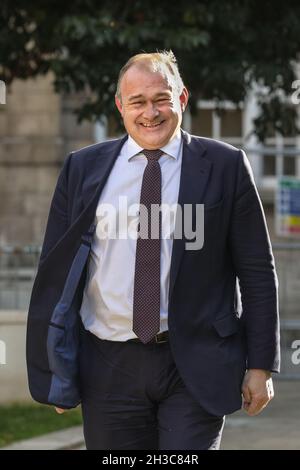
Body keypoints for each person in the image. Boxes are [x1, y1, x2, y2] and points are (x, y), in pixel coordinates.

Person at [26, 51, 280, 450]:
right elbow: (54, 274)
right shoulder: (82, 169)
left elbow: (257, 272)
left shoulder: (225, 165)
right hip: (106, 364)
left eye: (161, 98)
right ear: (120, 106)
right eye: (138, 101)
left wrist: (261, 364)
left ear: (181, 99)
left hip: (195, 362)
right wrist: (54, 367)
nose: (151, 112)